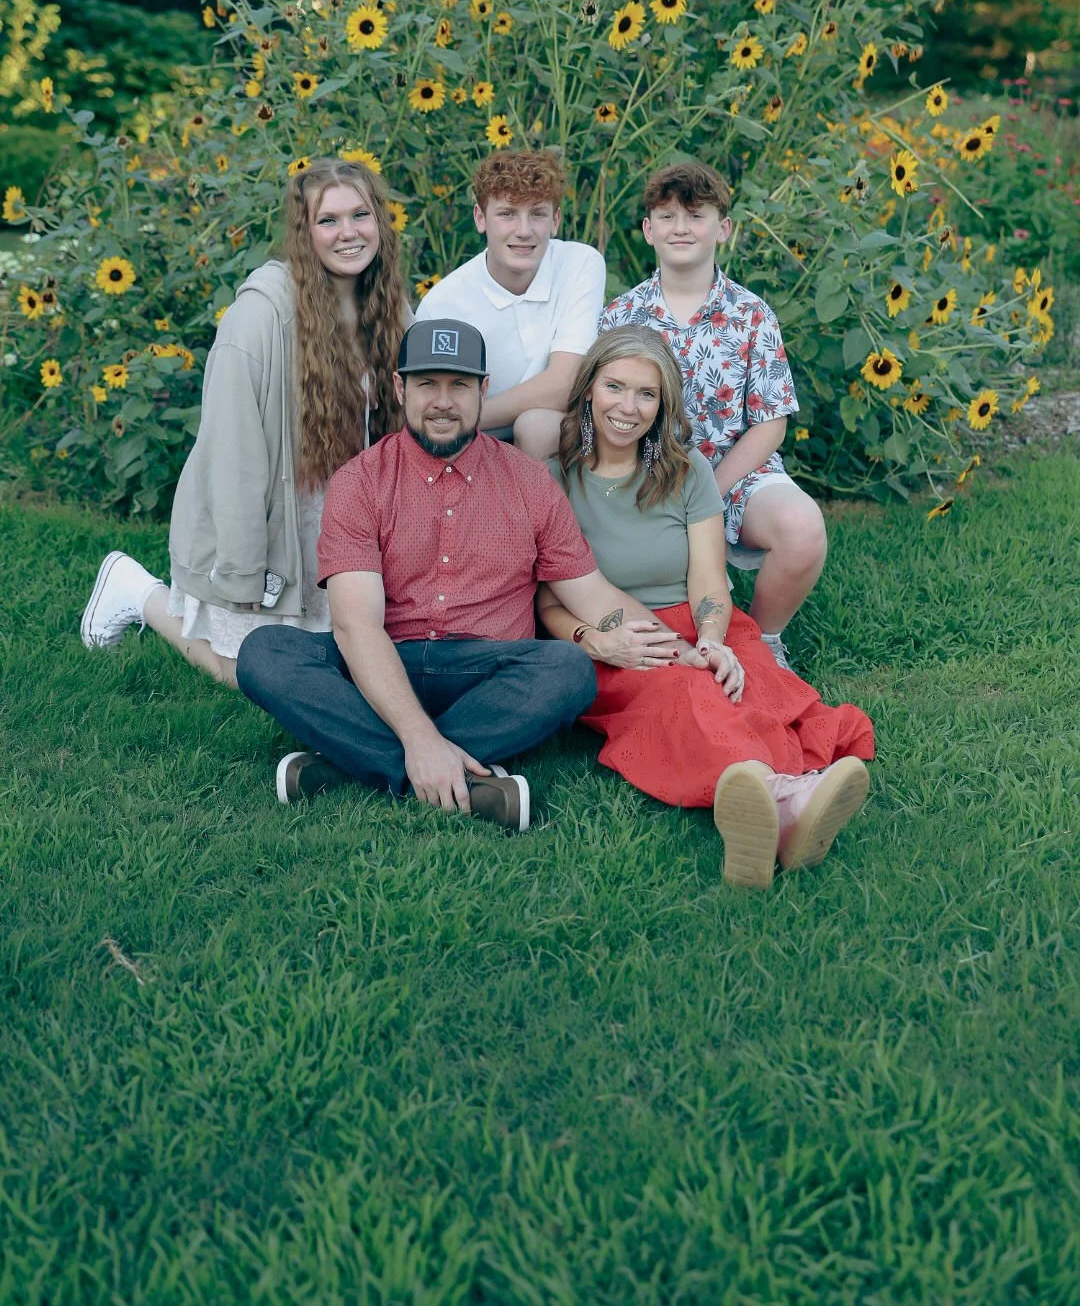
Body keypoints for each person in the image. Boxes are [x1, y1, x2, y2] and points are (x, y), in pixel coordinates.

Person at [236, 319, 700, 828]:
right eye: (426, 384)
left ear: (482, 391)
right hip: (387, 659)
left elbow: (592, 594)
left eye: (458, 385)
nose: (442, 401)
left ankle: (355, 768)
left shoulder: (528, 481)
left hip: (488, 669)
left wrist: (685, 650)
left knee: (567, 670)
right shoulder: (360, 482)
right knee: (266, 652)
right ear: (399, 388)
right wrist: (419, 739)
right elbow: (356, 626)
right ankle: (446, 771)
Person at [537, 329, 873, 888]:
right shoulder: (554, 477)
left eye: (646, 394)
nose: (628, 407)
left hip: (698, 619)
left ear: (663, 403)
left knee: (746, 682)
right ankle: (784, 799)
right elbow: (548, 597)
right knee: (688, 692)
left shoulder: (686, 469)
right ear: (589, 389)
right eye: (615, 387)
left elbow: (710, 581)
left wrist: (712, 638)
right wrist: (589, 639)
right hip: (614, 638)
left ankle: (772, 808)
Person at [80, 156, 408, 688]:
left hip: (344, 523)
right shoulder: (263, 312)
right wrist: (242, 565)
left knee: (350, 668)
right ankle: (137, 593)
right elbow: (230, 450)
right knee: (253, 677)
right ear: (305, 232)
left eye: (361, 215)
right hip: (277, 521)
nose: (348, 233)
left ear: (380, 223)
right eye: (329, 220)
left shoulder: (387, 304)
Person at [598, 159, 827, 672]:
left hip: (734, 475)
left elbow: (771, 422)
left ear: (723, 228)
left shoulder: (751, 315)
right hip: (646, 475)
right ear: (647, 230)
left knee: (803, 527)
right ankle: (651, 638)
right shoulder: (621, 316)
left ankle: (763, 638)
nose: (681, 227)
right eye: (667, 216)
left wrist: (711, 493)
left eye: (696, 215)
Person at [414, 150, 606, 459]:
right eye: (507, 213)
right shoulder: (442, 304)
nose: (524, 230)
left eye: (538, 214)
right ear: (480, 218)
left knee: (535, 426)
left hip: (550, 433)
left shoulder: (580, 263)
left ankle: (544, 509)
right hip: (472, 441)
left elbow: (566, 384)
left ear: (555, 220)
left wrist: (469, 415)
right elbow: (429, 405)